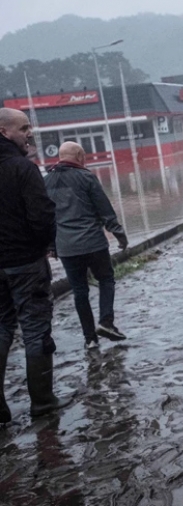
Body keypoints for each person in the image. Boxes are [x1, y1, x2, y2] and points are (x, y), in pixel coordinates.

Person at [0, 108, 71, 422]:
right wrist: (46, 245)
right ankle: (43, 403)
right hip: (26, 263)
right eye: (23, 128)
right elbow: (42, 215)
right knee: (35, 329)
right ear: (4, 132)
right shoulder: (22, 169)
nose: (30, 133)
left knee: (1, 326)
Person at [44, 142, 129, 349]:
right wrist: (120, 236)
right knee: (106, 279)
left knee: (79, 290)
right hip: (93, 243)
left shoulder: (46, 182)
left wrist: (51, 246)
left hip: (66, 248)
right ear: (80, 156)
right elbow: (105, 210)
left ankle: (90, 339)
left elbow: (45, 217)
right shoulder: (86, 177)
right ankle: (106, 322)